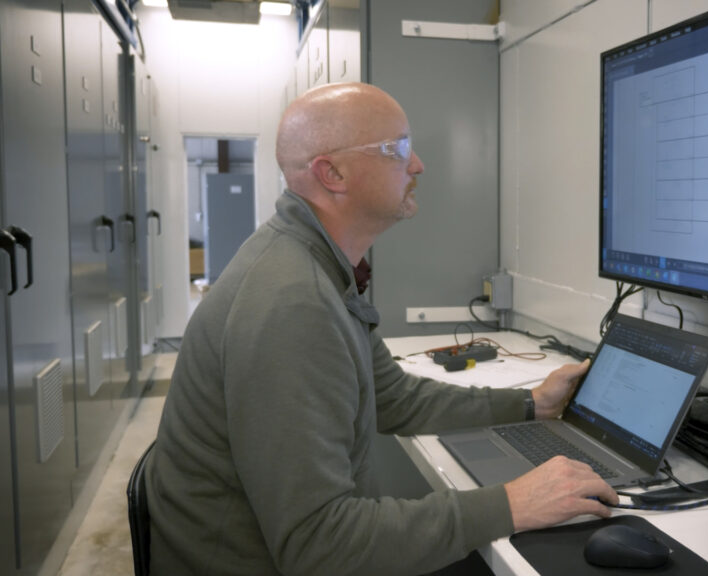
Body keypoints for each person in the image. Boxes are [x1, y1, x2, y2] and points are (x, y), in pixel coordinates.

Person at [145, 82, 619, 576]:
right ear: (333, 174)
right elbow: (319, 545)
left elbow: (394, 399)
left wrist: (531, 405)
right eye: (398, 149)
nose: (418, 166)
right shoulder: (294, 301)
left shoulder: (317, 266)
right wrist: (513, 503)